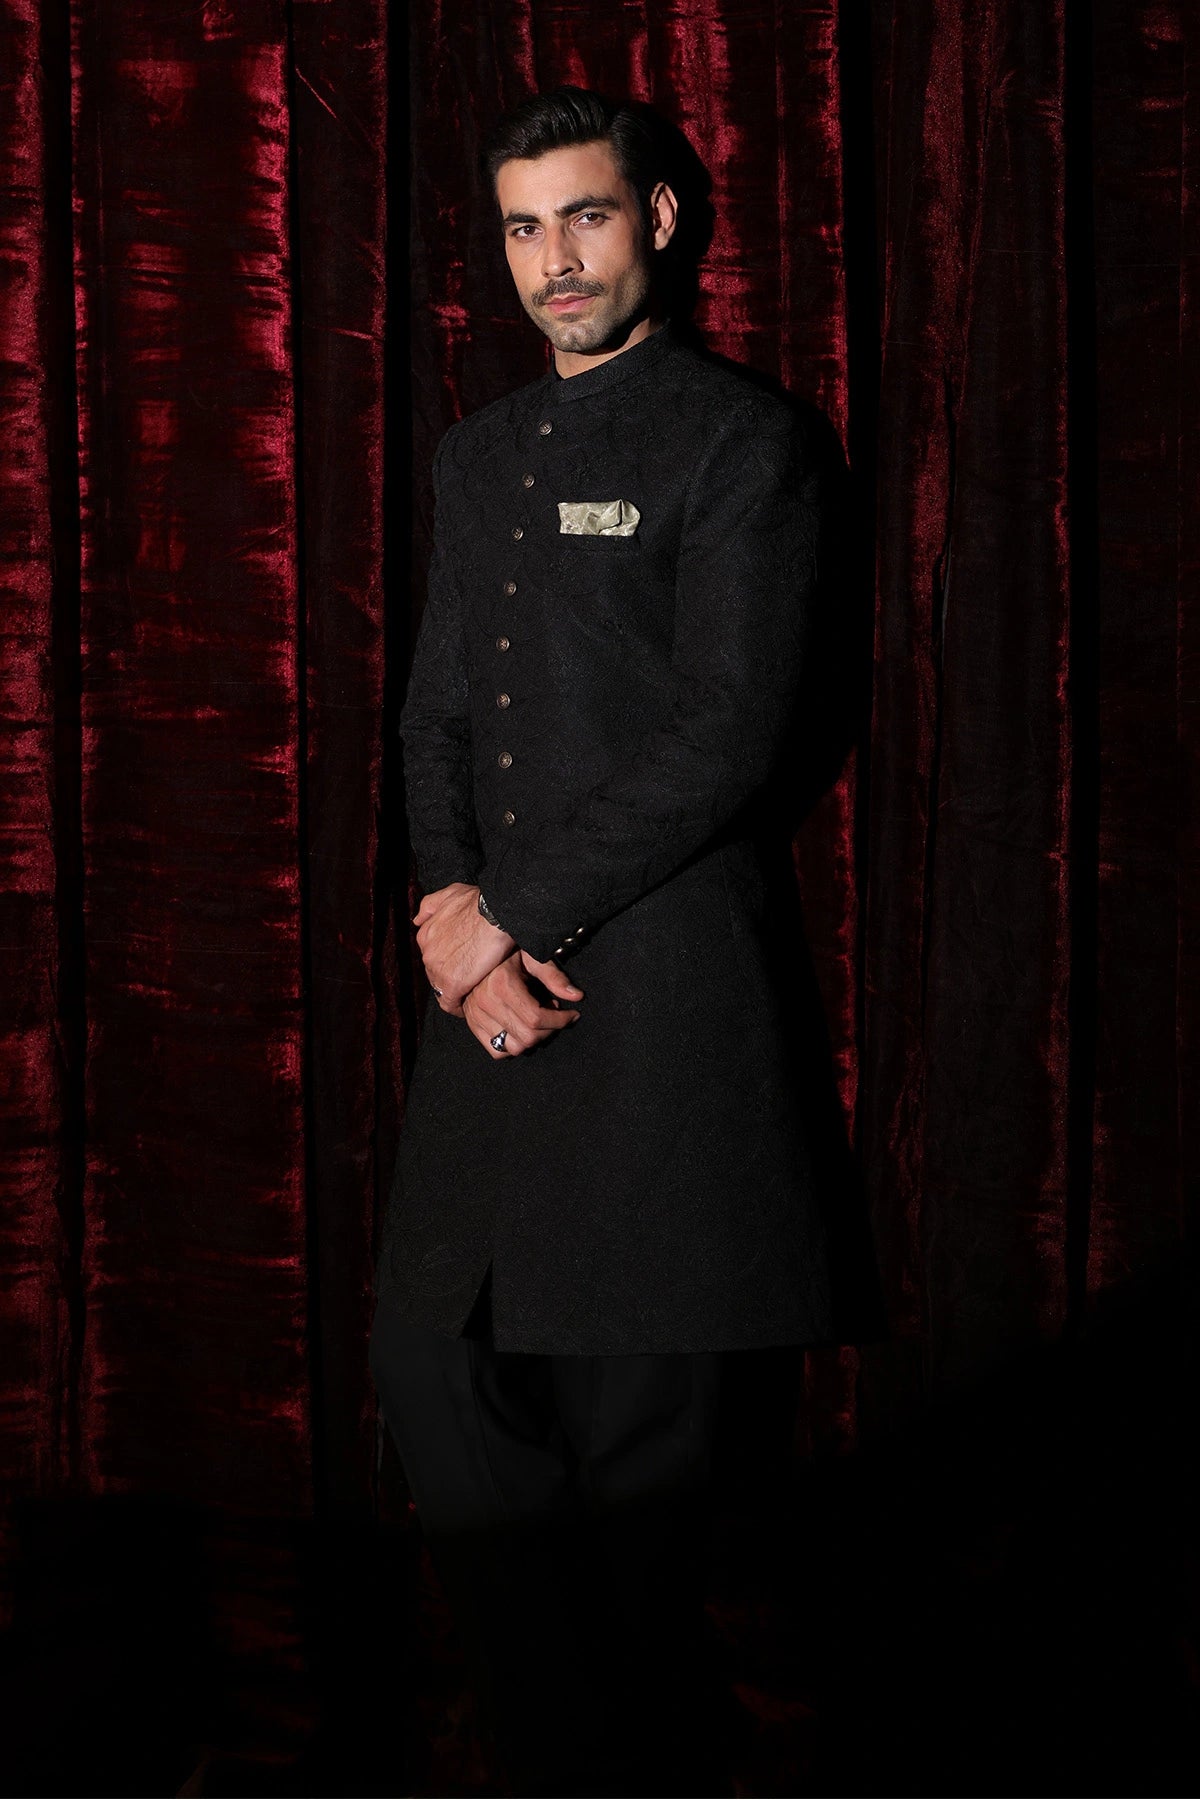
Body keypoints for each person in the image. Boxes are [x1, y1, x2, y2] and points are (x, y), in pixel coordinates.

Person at [370, 84, 841, 1797]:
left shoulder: (745, 444)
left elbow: (730, 735)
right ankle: (570, 1750)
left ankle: (610, 1763)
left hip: (663, 1007)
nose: (553, 261)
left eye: (582, 217)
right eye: (521, 228)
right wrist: (453, 919)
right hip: (489, 1001)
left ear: (657, 220)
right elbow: (434, 716)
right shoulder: (479, 453)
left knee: (648, 1461)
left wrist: (508, 912)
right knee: (430, 1373)